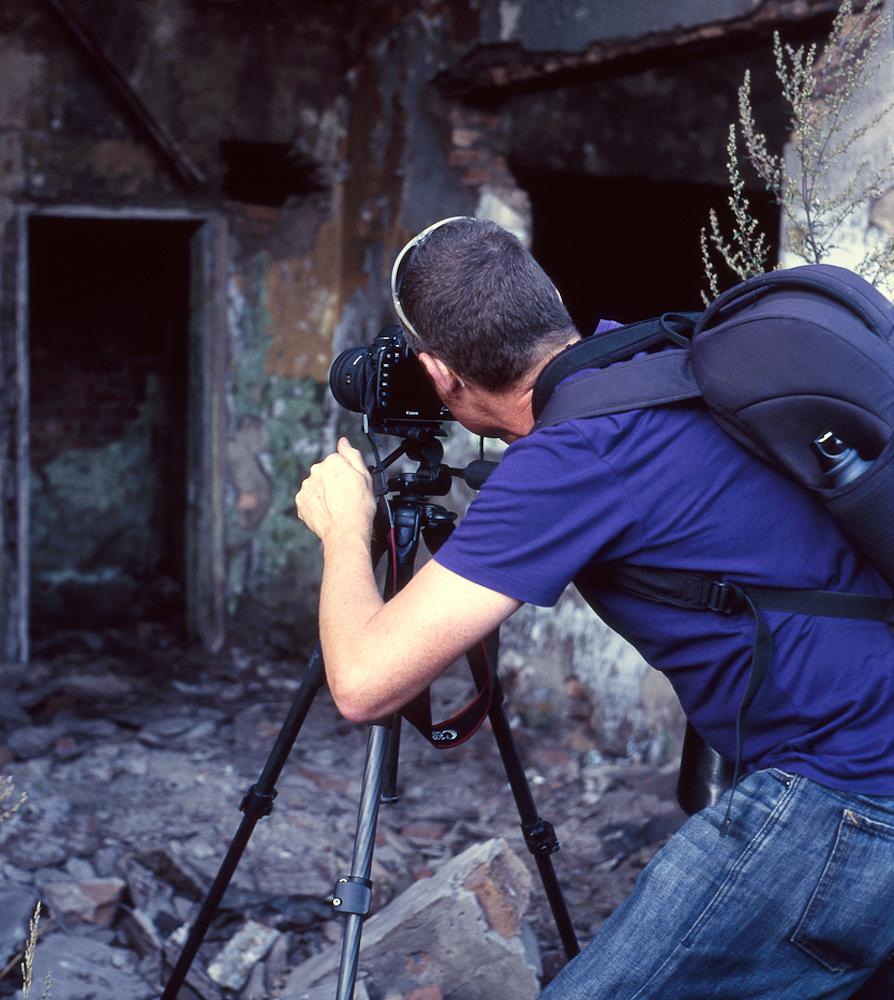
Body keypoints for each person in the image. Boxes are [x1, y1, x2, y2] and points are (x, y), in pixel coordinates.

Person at [295, 216, 894, 999]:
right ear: (550, 307)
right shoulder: (654, 360)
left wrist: (346, 530)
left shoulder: (574, 455)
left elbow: (363, 684)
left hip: (849, 793)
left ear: (440, 374)